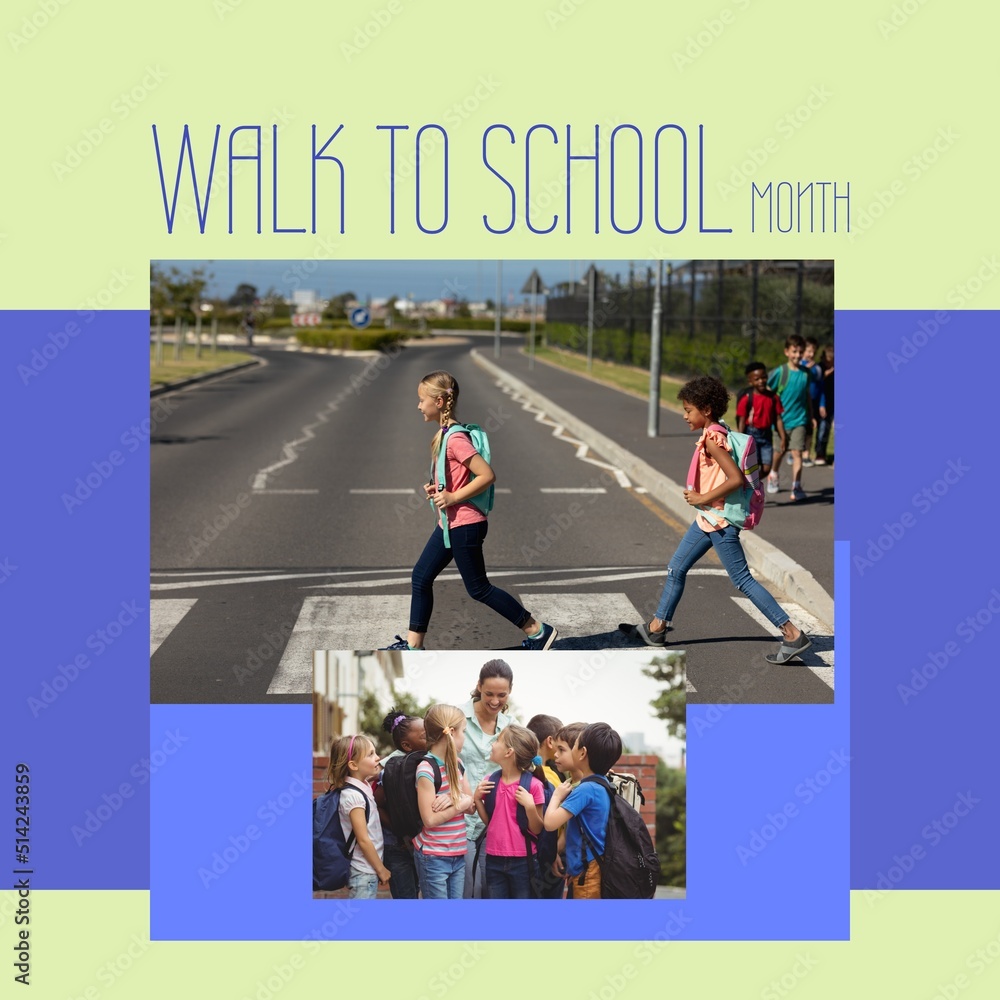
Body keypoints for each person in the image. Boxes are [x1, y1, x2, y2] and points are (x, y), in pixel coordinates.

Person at [633, 375, 813, 665]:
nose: (684, 415)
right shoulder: (719, 431)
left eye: (688, 410)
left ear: (705, 410)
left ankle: (791, 633)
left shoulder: (713, 440)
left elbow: (735, 479)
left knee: (742, 580)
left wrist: (702, 499)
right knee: (676, 568)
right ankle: (657, 628)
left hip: (718, 520)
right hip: (708, 519)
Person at [382, 370, 556, 651]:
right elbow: (456, 476)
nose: (418, 405)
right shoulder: (445, 434)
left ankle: (538, 632)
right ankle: (414, 648)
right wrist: (437, 488)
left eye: (421, 399)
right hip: (449, 525)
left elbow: (487, 475)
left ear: (439, 402)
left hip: (464, 524)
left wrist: (451, 497)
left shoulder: (455, 439)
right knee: (421, 577)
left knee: (479, 589)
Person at [543, 722, 621, 900]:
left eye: (575, 745)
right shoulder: (601, 783)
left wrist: (556, 796)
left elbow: (550, 823)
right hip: (591, 866)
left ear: (582, 752)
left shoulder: (585, 790)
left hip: (589, 871)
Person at [459, 659, 517, 897]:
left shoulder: (511, 728)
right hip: (457, 820)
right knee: (467, 891)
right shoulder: (456, 718)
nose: (495, 701)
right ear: (479, 686)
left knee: (488, 892)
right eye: (489, 693)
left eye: (502, 695)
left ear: (510, 691)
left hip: (492, 824)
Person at [473, 725, 547, 899]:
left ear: (509, 752)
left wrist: (529, 806)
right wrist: (477, 799)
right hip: (493, 859)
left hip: (523, 861)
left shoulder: (534, 786)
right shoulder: (489, 782)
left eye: (498, 740)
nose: (493, 744)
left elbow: (537, 829)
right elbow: (491, 823)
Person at [411, 704, 476, 899]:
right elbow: (430, 820)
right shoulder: (426, 769)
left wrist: (452, 799)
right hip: (433, 856)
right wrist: (460, 804)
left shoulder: (459, 765)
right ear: (453, 732)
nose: (464, 737)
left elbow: (471, 806)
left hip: (457, 853)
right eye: (464, 731)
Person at [327, 734, 390, 899]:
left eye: (375, 752)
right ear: (353, 765)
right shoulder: (353, 797)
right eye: (370, 754)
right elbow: (363, 839)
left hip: (366, 870)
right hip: (364, 872)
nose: (377, 758)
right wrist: (381, 869)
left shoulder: (363, 787)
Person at [374, 708, 426, 899]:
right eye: (425, 735)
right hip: (397, 846)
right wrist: (398, 830)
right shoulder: (394, 768)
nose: (431, 737)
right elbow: (376, 803)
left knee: (416, 892)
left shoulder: (424, 764)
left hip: (417, 844)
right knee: (406, 896)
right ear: (407, 745)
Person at [768, 335, 816, 502]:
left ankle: (796, 485)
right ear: (787, 352)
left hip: (800, 420)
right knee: (779, 452)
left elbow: (807, 395)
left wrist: (811, 415)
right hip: (781, 421)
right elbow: (767, 391)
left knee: (797, 452)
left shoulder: (806, 374)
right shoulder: (781, 372)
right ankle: (773, 473)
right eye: (794, 351)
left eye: (800, 352)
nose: (797, 355)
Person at [735, 361, 787, 487]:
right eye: (757, 379)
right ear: (750, 382)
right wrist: (741, 440)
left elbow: (778, 419)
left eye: (763, 377)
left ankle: (748, 485)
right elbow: (741, 420)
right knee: (752, 466)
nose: (761, 381)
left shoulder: (773, 398)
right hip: (751, 435)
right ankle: (748, 487)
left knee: (766, 468)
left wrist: (783, 437)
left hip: (767, 436)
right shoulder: (747, 398)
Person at [798, 337, 826, 467]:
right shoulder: (799, 366)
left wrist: (821, 404)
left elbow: (821, 389)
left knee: (810, 429)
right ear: (803, 351)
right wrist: (805, 369)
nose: (811, 354)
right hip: (799, 404)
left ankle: (806, 455)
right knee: (799, 428)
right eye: (809, 351)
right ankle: (796, 452)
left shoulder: (818, 369)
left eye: (814, 351)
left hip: (813, 404)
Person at [814, 344, 834, 465]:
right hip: (817, 403)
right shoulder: (818, 369)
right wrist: (825, 375)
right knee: (814, 429)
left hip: (831, 404)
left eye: (832, 363)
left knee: (825, 429)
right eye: (827, 362)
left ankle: (821, 453)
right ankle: (805, 451)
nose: (829, 365)